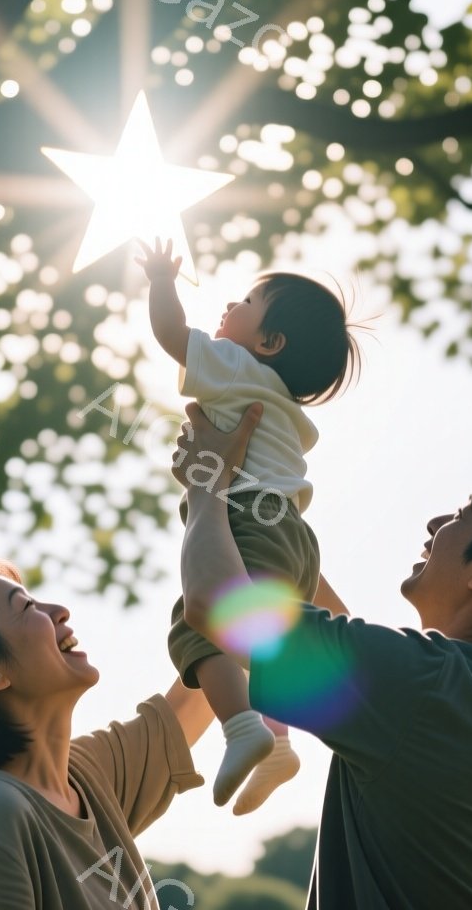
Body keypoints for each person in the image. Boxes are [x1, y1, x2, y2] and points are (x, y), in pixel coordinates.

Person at [171, 403, 472, 909]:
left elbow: (214, 603)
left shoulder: (427, 686)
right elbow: (348, 647)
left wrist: (206, 485)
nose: (435, 523)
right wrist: (270, 518)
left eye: (461, 515)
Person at [135, 237, 361, 814]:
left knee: (200, 624)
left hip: (247, 518)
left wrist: (160, 280)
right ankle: (278, 743)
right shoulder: (283, 401)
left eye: (246, 302)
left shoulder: (235, 367)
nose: (230, 305)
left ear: (269, 342)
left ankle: (241, 726)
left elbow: (170, 334)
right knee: (262, 639)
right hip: (295, 538)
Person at [0, 558, 213, 909]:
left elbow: (204, 685)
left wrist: (229, 555)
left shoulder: (86, 776)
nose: (60, 611)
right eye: (27, 607)